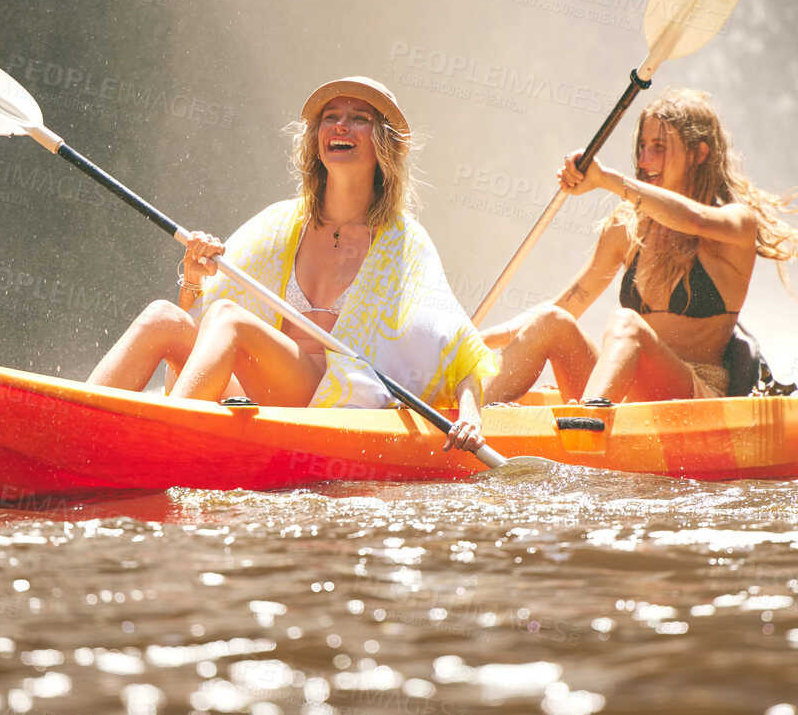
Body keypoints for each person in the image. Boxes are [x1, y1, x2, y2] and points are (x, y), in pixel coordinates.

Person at [88, 77, 495, 453]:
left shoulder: (403, 242)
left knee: (229, 317)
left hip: (328, 405)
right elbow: (196, 325)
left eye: (359, 119)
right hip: (257, 391)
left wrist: (471, 418)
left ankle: (161, 444)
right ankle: (76, 423)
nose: (340, 126)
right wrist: (193, 281)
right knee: (164, 316)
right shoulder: (279, 223)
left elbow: (459, 350)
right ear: (316, 139)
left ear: (384, 143)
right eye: (330, 118)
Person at [481, 88, 798, 404]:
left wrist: (605, 180)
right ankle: (470, 421)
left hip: (695, 395)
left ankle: (587, 427)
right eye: (642, 147)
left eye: (659, 147)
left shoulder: (734, 224)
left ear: (699, 154)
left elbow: (692, 220)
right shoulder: (626, 227)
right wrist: (474, 339)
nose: (645, 160)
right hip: (621, 397)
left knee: (626, 324)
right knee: (551, 321)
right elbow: (570, 303)